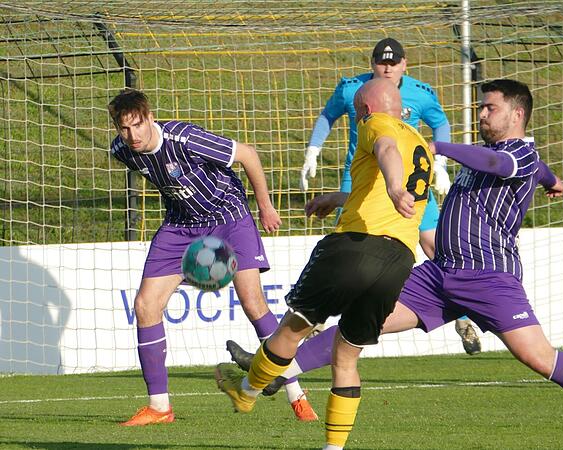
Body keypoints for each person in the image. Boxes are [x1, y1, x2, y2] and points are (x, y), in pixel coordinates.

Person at [236, 79, 563, 449]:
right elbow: (525, 168)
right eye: (481, 106)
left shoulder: (516, 155)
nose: (481, 113)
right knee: (358, 326)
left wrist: (435, 146)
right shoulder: (510, 158)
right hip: (439, 274)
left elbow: (502, 164)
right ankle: (277, 371)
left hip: (489, 277)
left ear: (517, 113)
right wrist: (552, 181)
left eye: (489, 107)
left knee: (539, 358)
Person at [214, 78, 433, 450]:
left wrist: (395, 187)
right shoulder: (420, 142)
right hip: (398, 260)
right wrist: (336, 197)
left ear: (364, 110)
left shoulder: (375, 123)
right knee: (346, 356)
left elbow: (385, 150)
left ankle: (247, 393)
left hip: (354, 247)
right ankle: (333, 449)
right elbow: (376, 185)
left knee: (295, 326)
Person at [106, 88, 317, 426]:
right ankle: (159, 407)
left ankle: (297, 394)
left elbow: (247, 154)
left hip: (229, 217)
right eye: (124, 128)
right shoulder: (122, 150)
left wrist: (265, 207)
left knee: (252, 303)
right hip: (181, 225)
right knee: (145, 306)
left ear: (149, 118)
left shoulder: (185, 138)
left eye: (137, 125)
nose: (132, 135)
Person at [298, 36, 481, 355]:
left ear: (404, 64)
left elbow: (440, 124)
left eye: (393, 62)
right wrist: (313, 151)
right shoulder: (352, 89)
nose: (387, 67)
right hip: (362, 181)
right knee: (345, 246)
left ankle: (463, 315)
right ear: (372, 64)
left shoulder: (421, 93)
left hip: (409, 182)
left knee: (434, 244)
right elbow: (328, 116)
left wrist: (439, 164)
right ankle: (317, 318)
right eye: (381, 62)